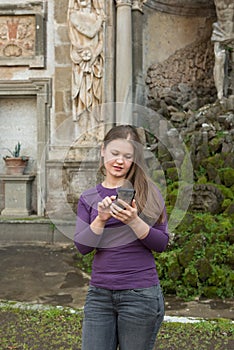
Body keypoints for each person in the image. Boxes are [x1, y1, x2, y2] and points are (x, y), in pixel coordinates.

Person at [74, 124, 169, 350]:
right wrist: (101, 218)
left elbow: (161, 243)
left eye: (128, 156)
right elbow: (82, 247)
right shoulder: (88, 197)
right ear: (103, 150)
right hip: (99, 296)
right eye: (115, 153)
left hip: (141, 295)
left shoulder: (148, 192)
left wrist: (134, 221)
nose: (120, 161)